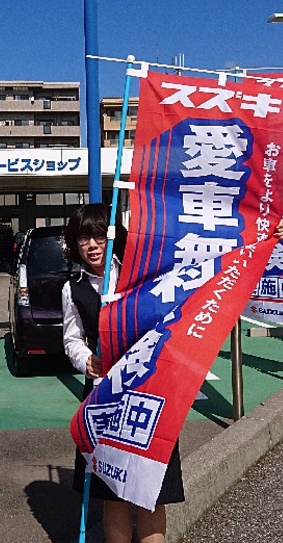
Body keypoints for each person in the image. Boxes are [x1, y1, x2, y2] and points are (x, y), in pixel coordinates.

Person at [62, 203, 182, 543]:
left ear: (113, 236)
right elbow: (71, 338)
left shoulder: (139, 274)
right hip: (103, 398)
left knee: (150, 492)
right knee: (111, 491)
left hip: (148, 393)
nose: (92, 245)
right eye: (83, 238)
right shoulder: (72, 288)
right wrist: (85, 360)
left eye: (99, 235)